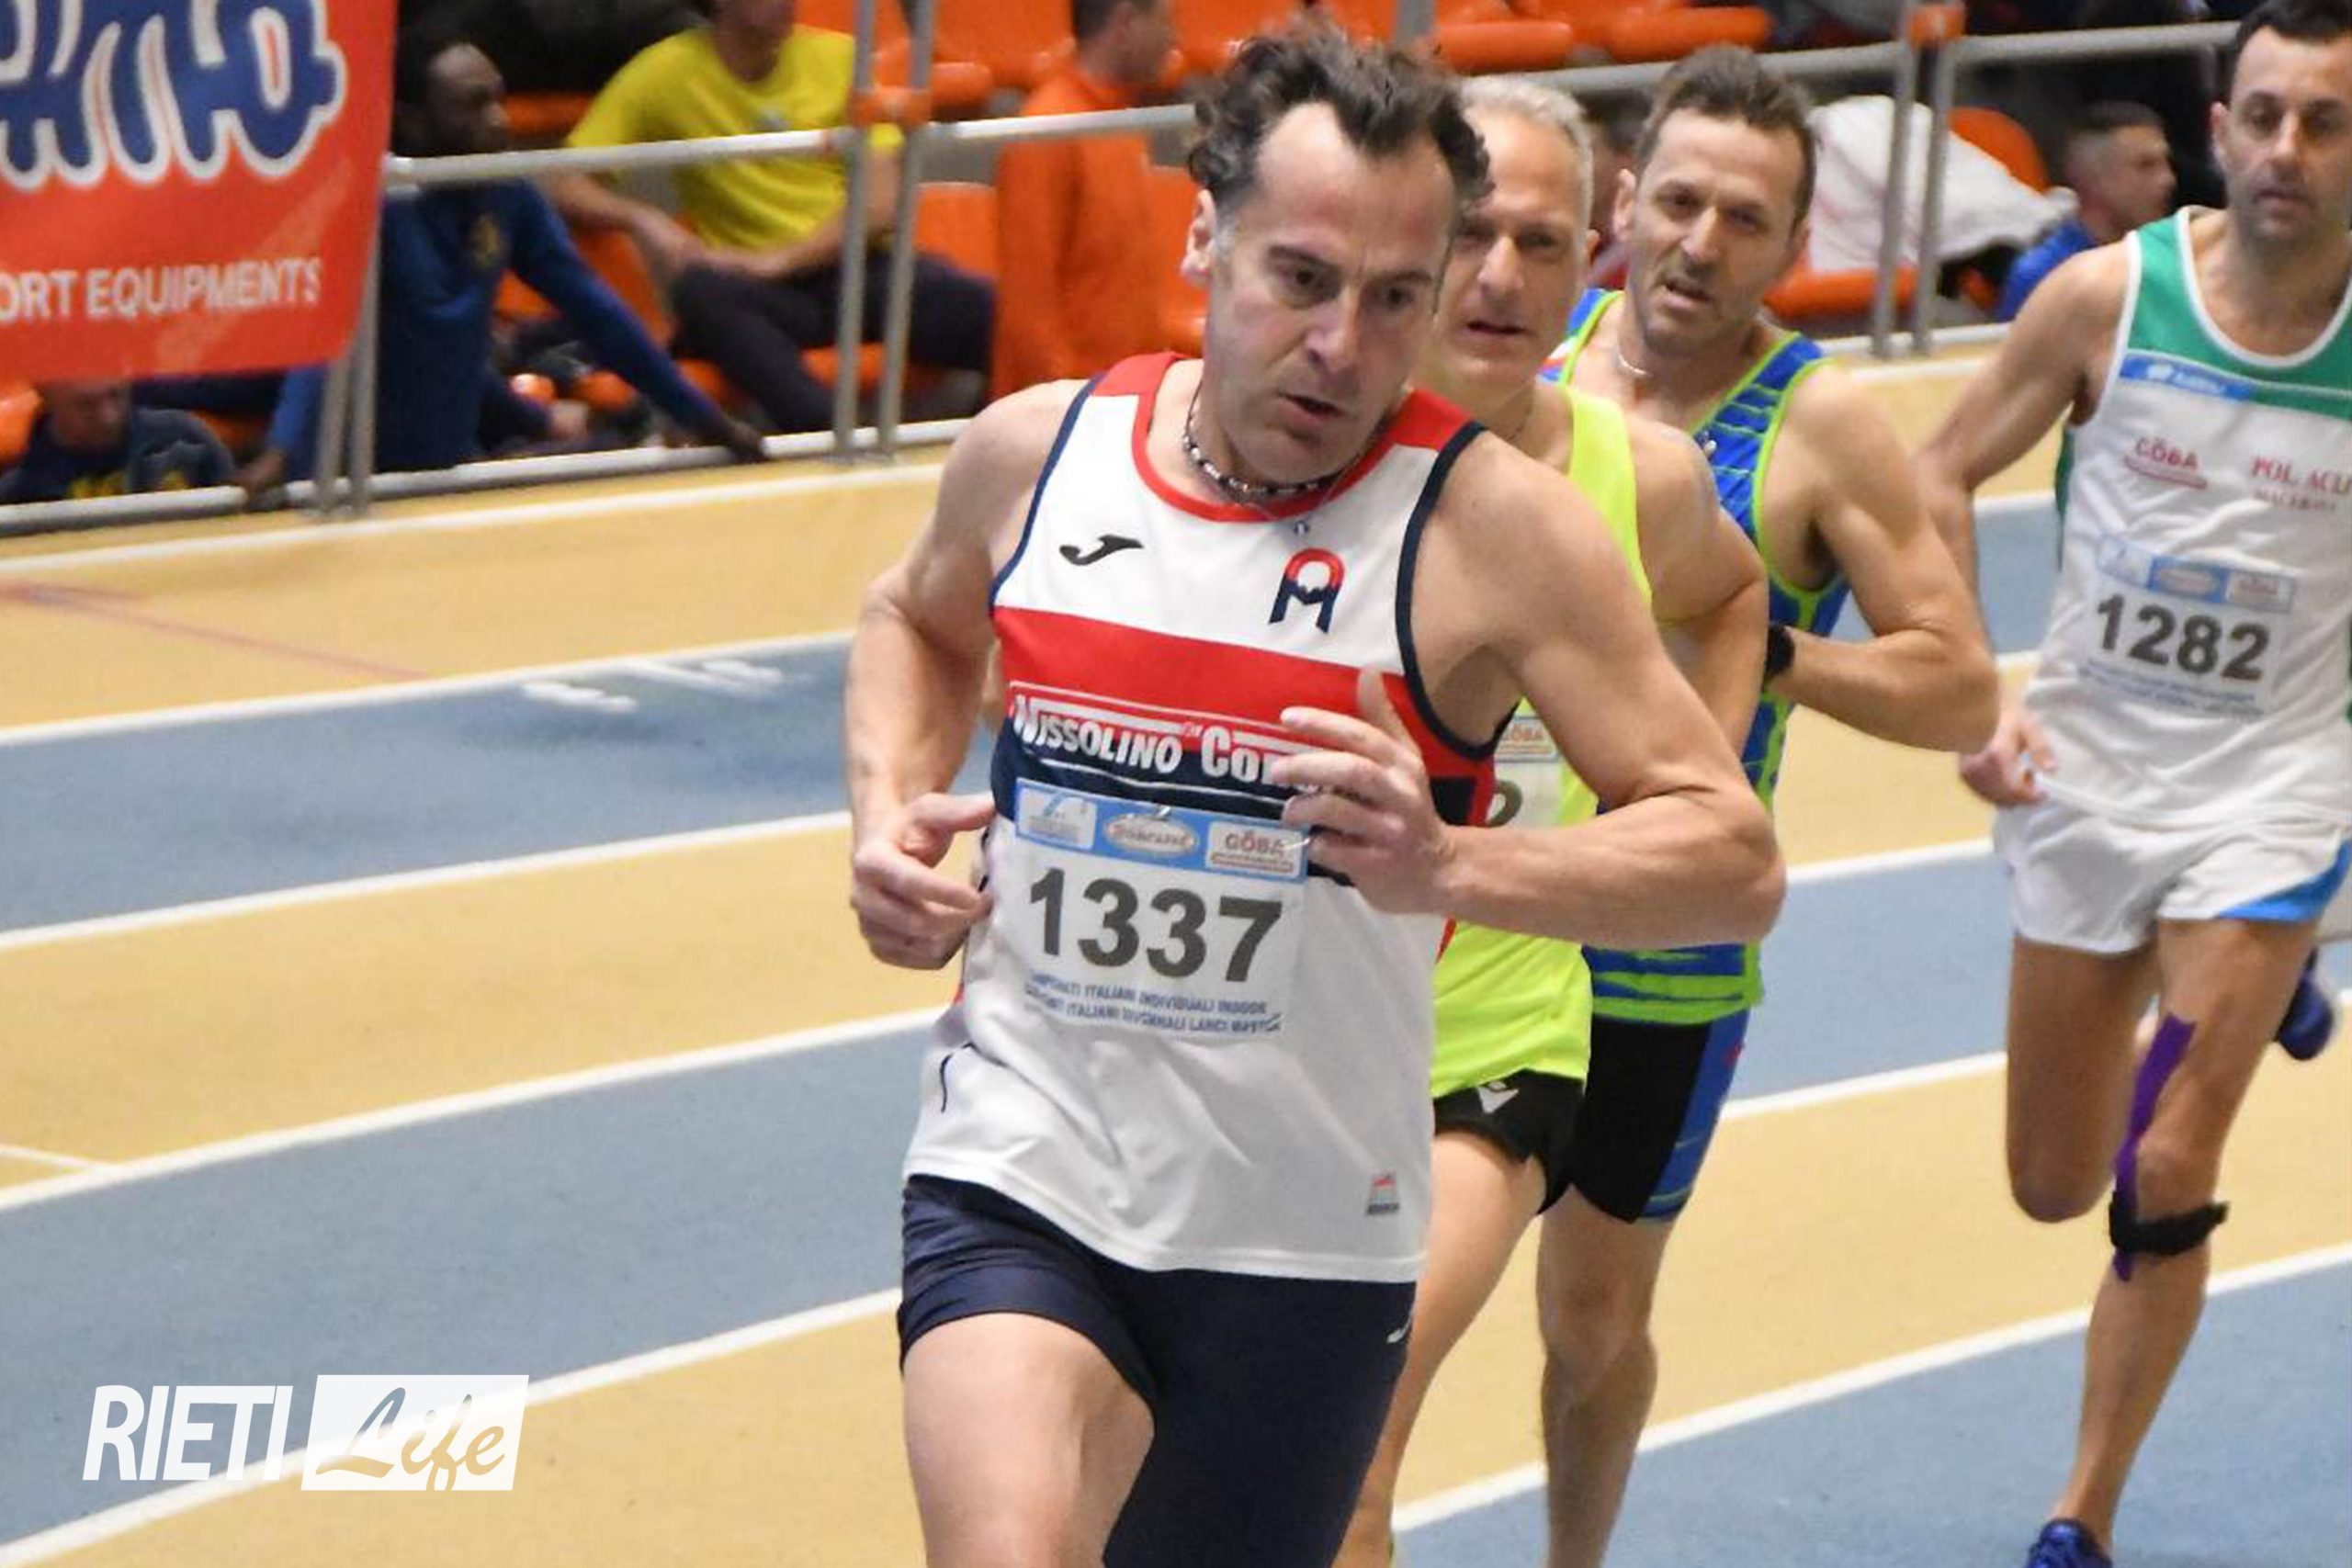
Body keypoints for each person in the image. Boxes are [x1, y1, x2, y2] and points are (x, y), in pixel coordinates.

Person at [843, 25, 1783, 1567]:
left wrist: (1448, 864)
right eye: (1302, 278)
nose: (1343, 344)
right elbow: (915, 616)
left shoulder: (1498, 532)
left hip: (1303, 1235)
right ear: (1204, 238)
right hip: (1025, 1165)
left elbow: (1729, 857)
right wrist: (887, 809)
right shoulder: (1039, 456)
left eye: (1395, 297)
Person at [1537, 45, 1999, 1568]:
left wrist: (1770, 646)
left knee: (1590, 1321)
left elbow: (1959, 685)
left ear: (1796, 247)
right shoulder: (1532, 354)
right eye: (1679, 202)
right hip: (1479, 906)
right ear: (1625, 200)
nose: (1701, 243)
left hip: (1660, 947)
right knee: (1369, 1289)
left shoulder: (1821, 426)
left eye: (1746, 220)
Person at [1915, 3, 2352, 1562]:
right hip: (2091, 781)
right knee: (2052, 1179)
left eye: (2327, 122)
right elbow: (1934, 471)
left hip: (2278, 790)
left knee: (2166, 1159)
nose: (2288, 150)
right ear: (2219, 128)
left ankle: (2080, 1513)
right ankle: (2265, 985)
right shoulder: (2108, 296)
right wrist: (1968, 691)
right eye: (2266, 116)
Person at [1333, 76, 1768, 1568]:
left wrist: (1678, 793)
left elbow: (1732, 594)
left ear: (1596, 255)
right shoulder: (1301, 451)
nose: (1504, 276)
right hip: (1276, 1036)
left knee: (1351, 1449)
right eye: (1473, 235)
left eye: (1545, 241)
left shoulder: (1632, 472)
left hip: (1491, 1048)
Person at [243, 27, 763, 496]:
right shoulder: (370, 201)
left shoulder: (509, 194)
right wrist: (280, 452)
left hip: (444, 465)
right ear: (412, 121)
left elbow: (597, 312)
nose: (498, 119)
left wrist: (704, 417)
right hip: (343, 477)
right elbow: (323, 342)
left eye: (497, 98)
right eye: (472, 106)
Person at [551, 0, 995, 433]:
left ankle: (995, 436)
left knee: (986, 307)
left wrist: (781, 260)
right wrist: (642, 218)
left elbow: (880, 206)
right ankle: (826, 437)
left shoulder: (840, 59)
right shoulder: (664, 71)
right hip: (758, 292)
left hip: (858, 271)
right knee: (700, 293)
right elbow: (565, 181)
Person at [992, 0, 1179, 399]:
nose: (1173, 39)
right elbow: (1030, 304)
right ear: (1126, 20)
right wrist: (1065, 406)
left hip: (1124, 394)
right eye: (1165, 20)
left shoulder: (1119, 121)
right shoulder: (1047, 130)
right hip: (1076, 404)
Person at [1999, 101, 2178, 320]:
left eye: (2166, 163)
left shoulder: (2178, 259)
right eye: (2145, 165)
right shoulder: (2044, 277)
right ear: (2093, 179)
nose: (2167, 179)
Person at [0, 381, 232, 505]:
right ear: (45, 394)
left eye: (115, 396)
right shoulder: (21, 491)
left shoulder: (185, 441)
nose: (108, 417)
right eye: (86, 405)